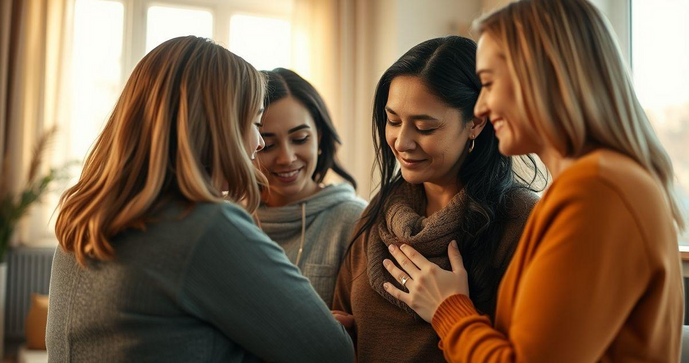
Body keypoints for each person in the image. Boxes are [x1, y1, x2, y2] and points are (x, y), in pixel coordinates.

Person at [383, 1, 685, 362]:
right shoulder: (590, 185)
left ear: (544, 80)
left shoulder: (599, 192)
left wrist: (449, 309)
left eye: (490, 84)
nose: (480, 108)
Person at [46, 36, 354, 363]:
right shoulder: (203, 225)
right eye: (254, 123)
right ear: (215, 125)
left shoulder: (84, 216)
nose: (258, 143)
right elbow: (331, 353)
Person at [331, 35, 542, 362]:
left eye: (425, 128)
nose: (402, 142)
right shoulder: (379, 211)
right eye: (393, 120)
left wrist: (450, 311)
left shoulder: (521, 221)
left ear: (475, 122)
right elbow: (344, 312)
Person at [254, 68, 366, 305]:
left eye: (300, 139)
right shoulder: (231, 218)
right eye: (268, 144)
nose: (286, 158)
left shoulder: (353, 220)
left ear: (320, 138)